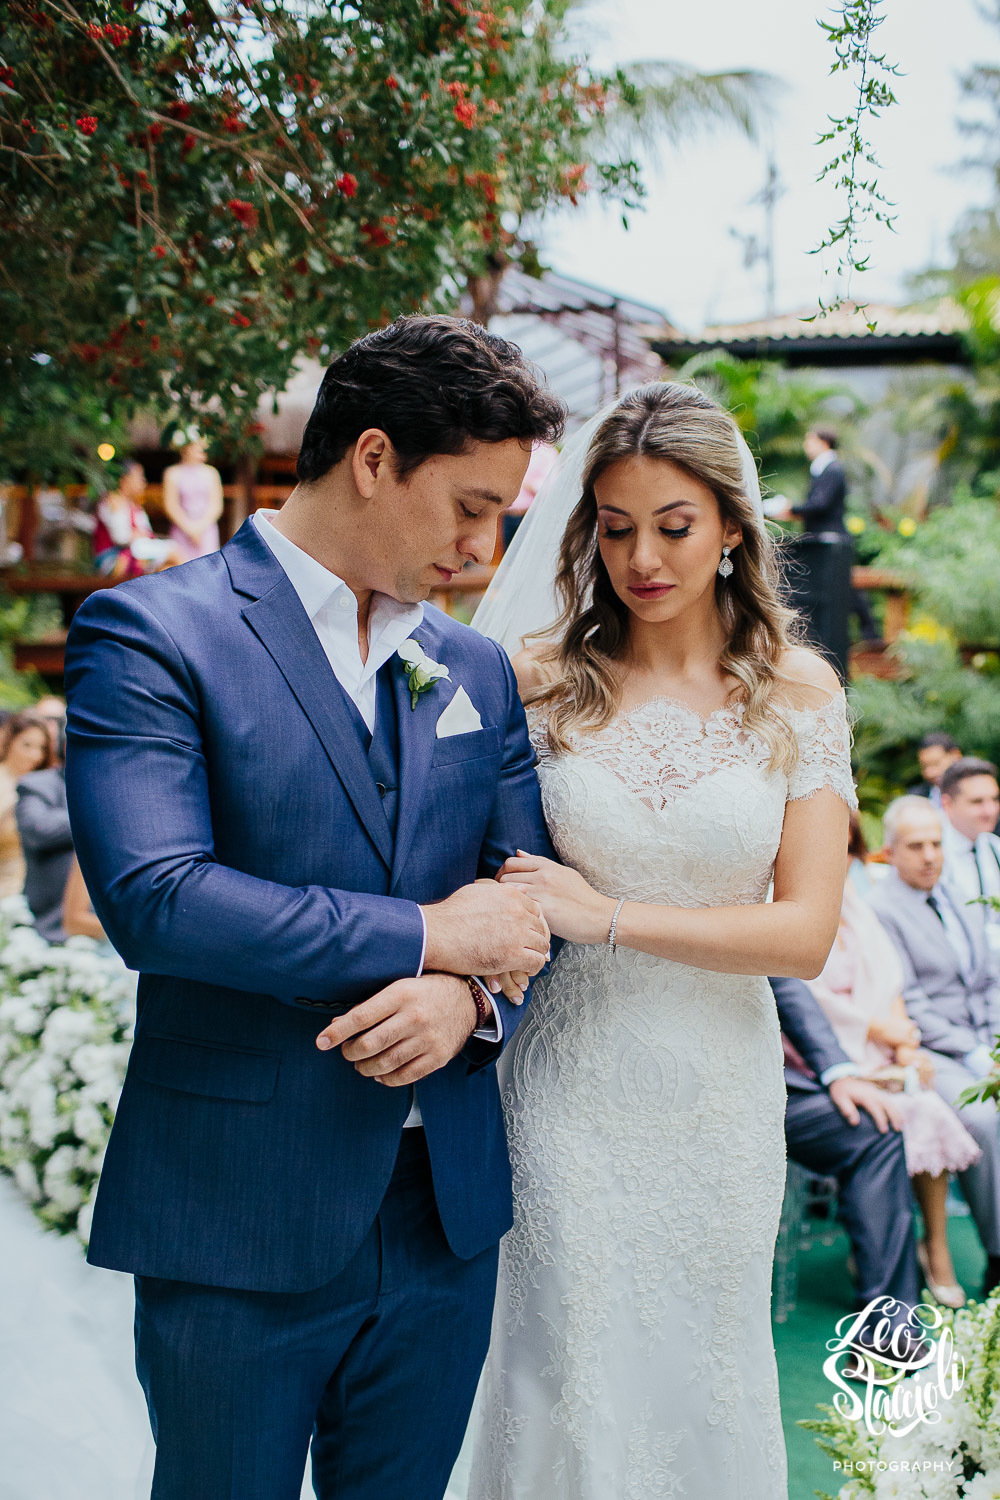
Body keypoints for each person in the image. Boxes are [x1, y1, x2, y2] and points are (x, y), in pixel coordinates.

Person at [64, 314, 566, 1500]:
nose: (483, 549)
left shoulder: (474, 668)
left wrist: (466, 1003)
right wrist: (430, 937)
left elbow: (525, 900)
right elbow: (157, 898)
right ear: (375, 457)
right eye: (471, 508)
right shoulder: (151, 632)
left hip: (444, 1214)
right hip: (235, 1207)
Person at [466, 382, 854, 1499]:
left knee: (698, 1366)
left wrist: (608, 916)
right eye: (616, 527)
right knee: (564, 1361)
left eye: (674, 527)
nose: (642, 558)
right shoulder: (538, 678)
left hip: (716, 1098)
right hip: (563, 1087)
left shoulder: (799, 694)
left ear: (731, 527)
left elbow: (805, 933)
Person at [806, 812, 980, 1306]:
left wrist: (905, 1046)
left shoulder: (856, 909)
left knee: (924, 1100)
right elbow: (806, 1001)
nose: (836, 861)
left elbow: (890, 984)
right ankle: (880, 1244)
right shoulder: (790, 908)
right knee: (893, 1116)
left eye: (846, 850)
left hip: (878, 1048)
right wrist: (877, 1031)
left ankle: (935, 1244)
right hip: (822, 1056)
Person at [870, 796, 1000, 1298]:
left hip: (983, 1039)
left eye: (936, 844)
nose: (929, 856)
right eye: (916, 846)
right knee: (985, 1117)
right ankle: (997, 1255)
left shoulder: (956, 895)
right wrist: (975, 1055)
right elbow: (912, 1003)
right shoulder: (882, 910)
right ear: (890, 852)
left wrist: (994, 1043)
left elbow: (988, 980)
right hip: (931, 1050)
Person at [771, 974, 923, 1347]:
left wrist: (839, 1072)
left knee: (874, 1128)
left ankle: (888, 1330)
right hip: (645, 1087)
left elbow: (784, 983)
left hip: (762, 1084)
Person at [15, 726, 73, 943]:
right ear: (67, 746)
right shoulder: (37, 784)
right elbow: (37, 828)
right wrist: (98, 818)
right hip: (51, 924)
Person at [939, 756, 1000, 956]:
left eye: (995, 799)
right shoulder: (934, 855)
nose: (990, 810)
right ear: (947, 804)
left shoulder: (994, 847)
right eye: (977, 802)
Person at [0, 711, 54, 897]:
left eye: (42, 748)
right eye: (27, 745)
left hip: (32, 892)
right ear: (10, 740)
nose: (35, 755)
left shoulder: (43, 788)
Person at [94, 462, 176, 579]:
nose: (143, 482)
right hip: (112, 558)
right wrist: (137, 535)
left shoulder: (135, 507)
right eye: (139, 477)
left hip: (134, 552)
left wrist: (138, 535)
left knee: (168, 566)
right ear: (124, 480)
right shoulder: (114, 502)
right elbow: (121, 538)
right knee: (171, 554)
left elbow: (145, 534)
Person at [162, 434, 224, 561]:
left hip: (206, 529)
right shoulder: (172, 473)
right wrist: (189, 529)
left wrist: (200, 528)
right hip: (182, 529)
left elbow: (216, 505)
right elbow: (171, 505)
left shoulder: (211, 473)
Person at [911, 731, 962, 807]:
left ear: (955, 755)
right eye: (924, 767)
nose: (929, 773)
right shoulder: (915, 799)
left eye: (935, 764)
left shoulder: (976, 789)